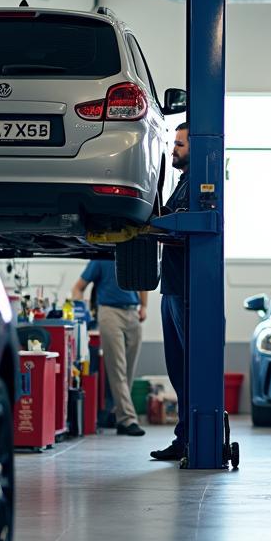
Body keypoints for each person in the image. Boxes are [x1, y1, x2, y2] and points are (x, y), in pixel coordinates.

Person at [150, 122, 191, 462]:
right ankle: (184, 438)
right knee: (177, 368)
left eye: (179, 143)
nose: (173, 148)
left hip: (187, 289)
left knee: (190, 367)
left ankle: (194, 439)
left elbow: (185, 228)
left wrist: (150, 227)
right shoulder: (182, 183)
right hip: (172, 287)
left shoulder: (199, 183)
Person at [72, 260, 147, 437]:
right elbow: (78, 287)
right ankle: (128, 419)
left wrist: (144, 305)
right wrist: (83, 312)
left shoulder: (131, 253)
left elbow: (144, 281)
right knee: (118, 369)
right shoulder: (100, 258)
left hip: (132, 312)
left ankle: (117, 414)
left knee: (129, 370)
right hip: (109, 312)